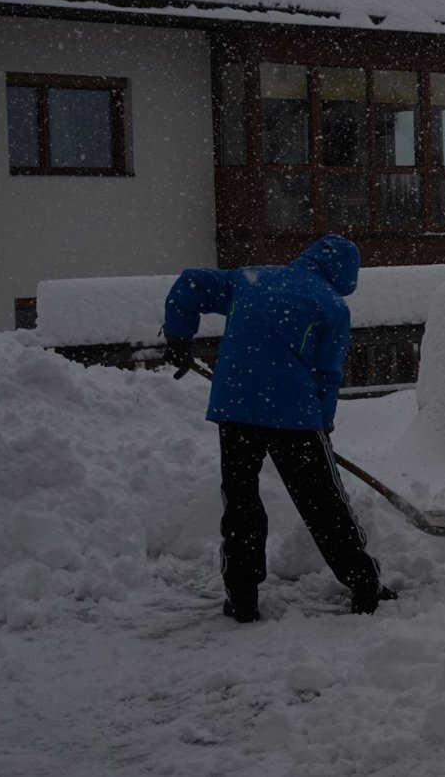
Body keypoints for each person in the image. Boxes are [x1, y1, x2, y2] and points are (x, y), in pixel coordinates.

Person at [161, 234, 393, 622]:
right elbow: (328, 374)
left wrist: (178, 337)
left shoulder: (250, 278)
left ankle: (242, 597)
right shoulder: (332, 305)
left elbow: (189, 283)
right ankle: (364, 585)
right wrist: (323, 423)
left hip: (235, 408)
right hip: (294, 414)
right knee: (322, 503)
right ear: (346, 275)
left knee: (241, 503)